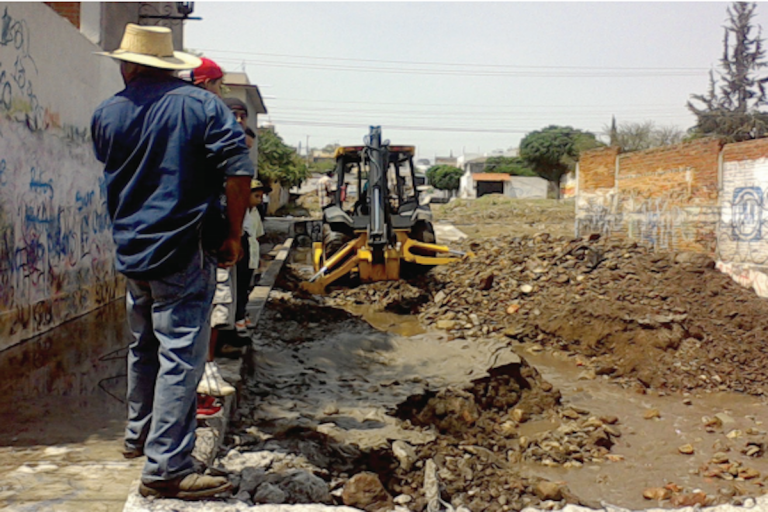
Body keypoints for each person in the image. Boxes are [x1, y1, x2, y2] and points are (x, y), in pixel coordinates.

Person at [91, 24, 253, 500]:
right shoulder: (201, 105)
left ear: (127, 64)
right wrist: (233, 233)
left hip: (132, 249)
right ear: (168, 64)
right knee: (180, 355)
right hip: (182, 248)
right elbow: (239, 168)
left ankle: (137, 437)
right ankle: (166, 467)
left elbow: (117, 171)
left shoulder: (107, 112)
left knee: (142, 346)